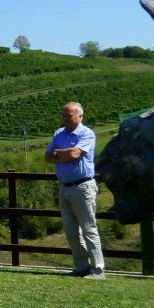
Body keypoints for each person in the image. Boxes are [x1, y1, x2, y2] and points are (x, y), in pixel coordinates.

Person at [45, 102, 105, 280]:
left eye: (68, 115)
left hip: (83, 187)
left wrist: (59, 154)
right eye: (63, 115)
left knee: (88, 228)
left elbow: (74, 154)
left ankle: (98, 269)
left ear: (80, 116)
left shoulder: (87, 134)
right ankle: (81, 266)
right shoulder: (59, 133)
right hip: (65, 187)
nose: (65, 118)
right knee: (71, 231)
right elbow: (47, 157)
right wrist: (62, 154)